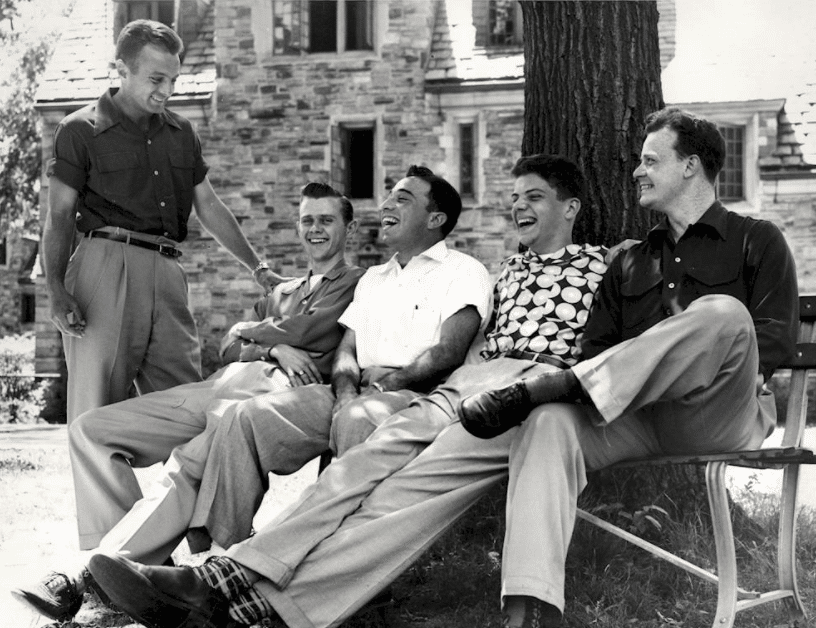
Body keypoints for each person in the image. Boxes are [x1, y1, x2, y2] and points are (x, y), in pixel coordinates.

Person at [86, 154, 611, 628]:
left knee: (365, 428)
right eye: (514, 197)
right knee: (246, 419)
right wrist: (342, 387)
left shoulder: (479, 269)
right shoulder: (412, 277)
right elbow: (347, 348)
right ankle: (219, 562)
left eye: (402, 199)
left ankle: (266, 586)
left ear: (435, 219)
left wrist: (386, 386)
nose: (386, 205)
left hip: (434, 388)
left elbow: (451, 350)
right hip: (390, 388)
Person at [14, 167, 492, 623]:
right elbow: (244, 346)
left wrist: (260, 333)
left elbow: (434, 348)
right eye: (306, 220)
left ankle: (127, 581)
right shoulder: (362, 281)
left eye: (327, 219)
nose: (315, 229)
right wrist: (298, 357)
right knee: (96, 430)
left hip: (375, 392)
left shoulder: (381, 277)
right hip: (249, 387)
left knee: (201, 453)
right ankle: (151, 568)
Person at [43, 18, 284, 426]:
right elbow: (60, 215)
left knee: (188, 407)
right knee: (96, 411)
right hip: (104, 266)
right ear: (121, 70)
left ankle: (187, 492)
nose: (167, 91)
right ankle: (110, 493)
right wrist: (54, 289)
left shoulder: (181, 132)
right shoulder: (79, 130)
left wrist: (258, 268)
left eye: (173, 79)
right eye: (156, 78)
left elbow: (208, 205)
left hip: (169, 271)